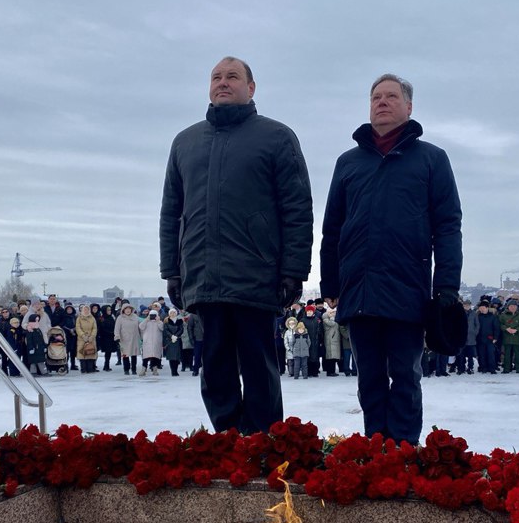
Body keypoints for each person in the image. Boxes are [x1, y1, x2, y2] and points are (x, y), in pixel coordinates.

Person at [159, 56, 313, 434]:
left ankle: (263, 446)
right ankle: (226, 445)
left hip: (256, 276)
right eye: (216, 77)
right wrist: (172, 271)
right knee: (214, 369)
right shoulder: (185, 142)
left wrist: (294, 270)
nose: (223, 82)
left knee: (260, 369)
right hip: (203, 277)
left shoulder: (277, 137)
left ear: (251, 87)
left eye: (232, 76)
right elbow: (171, 212)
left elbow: (297, 208)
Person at [320, 73, 462, 444]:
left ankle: (404, 453)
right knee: (368, 379)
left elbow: (448, 226)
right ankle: (374, 451)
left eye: (391, 96)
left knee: (406, 377)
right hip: (359, 288)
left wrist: (447, 286)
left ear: (409, 106)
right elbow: (332, 228)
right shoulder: (348, 162)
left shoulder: (431, 159)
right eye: (376, 97)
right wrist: (330, 282)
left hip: (408, 288)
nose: (381, 102)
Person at [499, 299, 519, 374]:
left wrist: (516, 330)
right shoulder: (503, 315)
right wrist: (506, 329)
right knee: (507, 354)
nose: (513, 307)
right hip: (507, 337)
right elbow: (500, 324)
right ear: (508, 307)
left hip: (517, 337)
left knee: (518, 354)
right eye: (511, 306)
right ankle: (507, 368)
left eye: (515, 306)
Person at [114, 303, 140, 375]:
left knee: (134, 355)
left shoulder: (135, 317)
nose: (128, 310)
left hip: (134, 338)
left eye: (129, 309)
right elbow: (117, 328)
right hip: (124, 339)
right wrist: (117, 337)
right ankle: (126, 369)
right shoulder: (120, 318)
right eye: (126, 309)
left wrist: (142, 336)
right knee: (125, 355)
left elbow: (140, 327)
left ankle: (134, 369)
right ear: (123, 310)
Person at [138, 306, 164, 376]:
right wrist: (146, 320)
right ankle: (143, 369)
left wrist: (158, 321)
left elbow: (162, 328)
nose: (153, 317)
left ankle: (155, 369)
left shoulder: (159, 322)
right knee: (145, 356)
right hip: (147, 342)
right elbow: (141, 327)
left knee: (155, 356)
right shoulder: (146, 322)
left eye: (154, 315)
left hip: (156, 341)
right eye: (151, 315)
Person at [76, 305, 98, 374]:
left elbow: (94, 328)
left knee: (90, 352)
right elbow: (78, 328)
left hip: (91, 338)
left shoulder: (92, 318)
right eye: (85, 309)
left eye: (87, 309)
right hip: (82, 339)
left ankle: (90, 368)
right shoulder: (79, 318)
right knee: (82, 353)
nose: (86, 311)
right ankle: (83, 368)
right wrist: (83, 335)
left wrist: (92, 336)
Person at [162, 308, 184, 376]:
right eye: (171, 313)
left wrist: (176, 336)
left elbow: (181, 329)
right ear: (169, 314)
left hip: (177, 340)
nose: (172, 314)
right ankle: (173, 371)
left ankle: (176, 371)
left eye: (174, 312)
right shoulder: (167, 321)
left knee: (177, 357)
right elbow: (166, 330)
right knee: (171, 357)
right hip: (170, 341)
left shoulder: (179, 321)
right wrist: (171, 336)